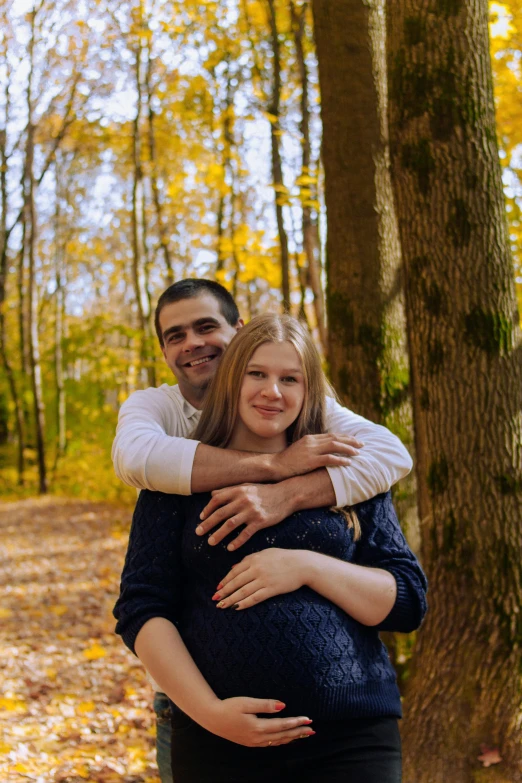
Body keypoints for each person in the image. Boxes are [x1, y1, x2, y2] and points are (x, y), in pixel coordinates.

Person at [112, 279, 413, 782]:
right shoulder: (166, 442)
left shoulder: (335, 451)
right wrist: (208, 712)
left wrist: (303, 560)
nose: (192, 343)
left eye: (206, 326)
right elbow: (142, 606)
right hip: (215, 735)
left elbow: (407, 596)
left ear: (238, 331)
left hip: (352, 734)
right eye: (175, 335)